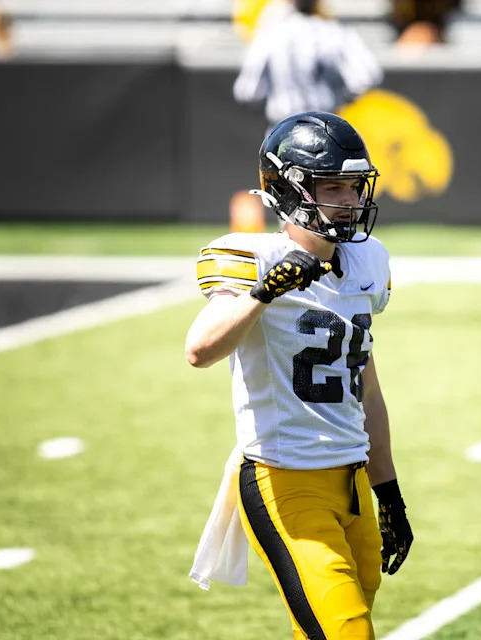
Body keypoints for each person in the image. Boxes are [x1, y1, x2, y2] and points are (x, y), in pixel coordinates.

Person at [185, 111, 413, 638]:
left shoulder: (367, 260)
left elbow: (367, 389)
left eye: (354, 186)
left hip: (353, 481)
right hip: (284, 477)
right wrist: (264, 291)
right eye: (332, 187)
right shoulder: (254, 257)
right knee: (346, 631)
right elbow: (199, 350)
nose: (349, 200)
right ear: (288, 191)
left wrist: (389, 491)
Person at [230, 0, 383, 232]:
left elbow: (247, 90)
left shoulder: (271, 31)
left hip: (284, 132)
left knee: (291, 207)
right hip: (328, 132)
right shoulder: (334, 30)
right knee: (333, 203)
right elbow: (367, 76)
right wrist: (340, 97)